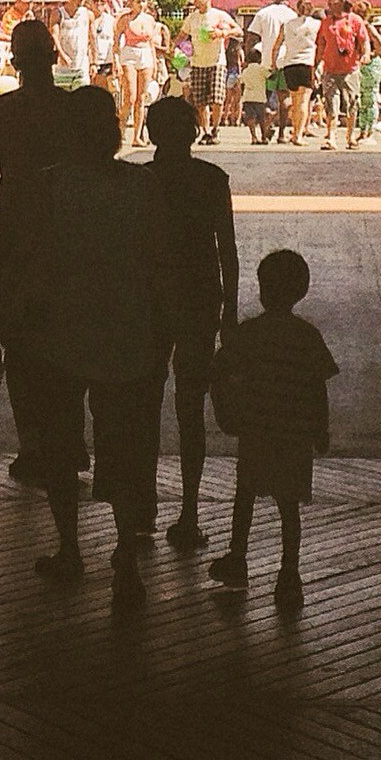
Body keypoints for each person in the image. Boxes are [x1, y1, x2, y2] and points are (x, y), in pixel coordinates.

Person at [11, 85, 174, 606]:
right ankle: (126, 554)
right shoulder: (143, 188)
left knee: (60, 445)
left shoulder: (48, 188)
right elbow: (158, 267)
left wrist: (7, 325)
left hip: (61, 330)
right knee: (123, 448)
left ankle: (69, 548)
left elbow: (29, 266)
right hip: (127, 330)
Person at [0, 17, 74, 485]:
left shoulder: (1, 112)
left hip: (14, 229)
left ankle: (32, 445)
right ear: (52, 58)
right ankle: (67, 442)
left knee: (21, 340)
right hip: (67, 235)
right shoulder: (73, 111)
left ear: (15, 63)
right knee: (66, 339)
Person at [208, 248, 336, 609]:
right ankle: (289, 573)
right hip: (293, 436)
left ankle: (238, 558)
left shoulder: (250, 334)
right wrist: (320, 430)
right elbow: (317, 388)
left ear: (263, 290)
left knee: (245, 495)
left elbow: (219, 370)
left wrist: (227, 408)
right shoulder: (308, 337)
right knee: (288, 507)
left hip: (257, 431)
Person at [145, 95, 238, 550]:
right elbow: (228, 253)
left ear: (150, 134)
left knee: (142, 402)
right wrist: (232, 313)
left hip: (148, 300)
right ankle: (189, 509)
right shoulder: (211, 179)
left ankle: (141, 504)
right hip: (201, 299)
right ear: (195, 133)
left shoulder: (140, 179)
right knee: (191, 409)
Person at [314, 0, 372, 151]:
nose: (331, 5)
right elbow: (320, 45)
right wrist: (316, 65)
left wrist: (366, 54)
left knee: (352, 103)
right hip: (330, 69)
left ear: (342, 2)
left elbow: (364, 40)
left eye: (334, 2)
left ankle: (350, 136)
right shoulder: (326, 22)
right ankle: (331, 137)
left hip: (350, 69)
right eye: (330, 2)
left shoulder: (355, 20)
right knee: (331, 103)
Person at [180, 0, 234, 143]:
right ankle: (206, 131)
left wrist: (222, 33)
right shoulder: (192, 18)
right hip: (198, 62)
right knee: (200, 101)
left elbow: (238, 30)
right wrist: (174, 46)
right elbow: (183, 34)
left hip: (217, 62)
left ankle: (215, 129)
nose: (195, 1)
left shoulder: (219, 15)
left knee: (217, 98)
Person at [114, 0, 163, 145]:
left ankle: (137, 136)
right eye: (138, 1)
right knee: (130, 97)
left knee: (141, 98)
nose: (141, 4)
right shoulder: (125, 19)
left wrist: (154, 63)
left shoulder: (150, 20)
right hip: (129, 54)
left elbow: (152, 44)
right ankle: (120, 131)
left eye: (143, 1)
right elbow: (116, 41)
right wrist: (115, 61)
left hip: (146, 54)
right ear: (132, 3)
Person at [278, 0, 322, 144]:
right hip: (306, 64)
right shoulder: (317, 24)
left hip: (289, 65)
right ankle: (298, 135)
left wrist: (273, 61)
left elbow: (277, 44)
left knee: (295, 100)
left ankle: (295, 131)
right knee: (303, 101)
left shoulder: (287, 24)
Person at [53, 0, 94, 88]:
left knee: (81, 97)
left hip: (81, 64)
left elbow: (92, 39)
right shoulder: (59, 13)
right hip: (64, 64)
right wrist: (62, 55)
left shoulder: (88, 14)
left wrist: (93, 62)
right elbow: (54, 36)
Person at [354, 14, 381, 143]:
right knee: (361, 100)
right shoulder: (358, 26)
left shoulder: (368, 28)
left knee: (370, 98)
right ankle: (363, 131)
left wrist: (369, 55)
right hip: (362, 65)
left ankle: (370, 132)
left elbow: (380, 46)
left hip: (371, 65)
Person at [237, 45, 271, 143]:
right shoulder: (261, 69)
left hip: (248, 97)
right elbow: (269, 76)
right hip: (260, 98)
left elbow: (241, 83)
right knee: (262, 118)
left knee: (251, 118)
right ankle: (264, 137)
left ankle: (253, 136)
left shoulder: (246, 70)